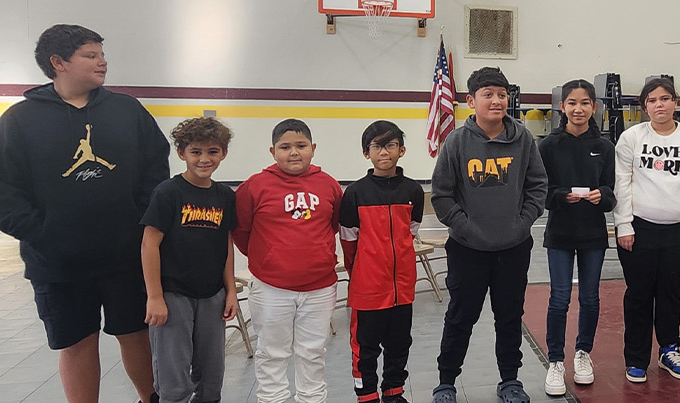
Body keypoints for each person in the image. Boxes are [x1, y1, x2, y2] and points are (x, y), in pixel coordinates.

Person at [0, 23, 167, 403]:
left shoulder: (127, 110)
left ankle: (152, 398)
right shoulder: (19, 121)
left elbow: (155, 170)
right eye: (91, 55)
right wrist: (44, 234)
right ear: (58, 62)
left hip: (125, 257)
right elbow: (1, 189)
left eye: (102, 54)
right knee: (76, 342)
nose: (103, 62)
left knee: (136, 334)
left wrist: (140, 225)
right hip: (58, 263)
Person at [429, 67, 548, 403]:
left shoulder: (524, 139)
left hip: (513, 247)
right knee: (460, 317)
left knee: (509, 317)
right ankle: (446, 383)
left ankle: (510, 380)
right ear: (471, 101)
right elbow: (441, 195)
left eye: (501, 94)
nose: (496, 100)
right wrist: (467, 229)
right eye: (488, 94)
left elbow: (537, 186)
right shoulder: (456, 141)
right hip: (468, 249)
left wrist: (522, 223)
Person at [613, 78, 680, 383]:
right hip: (639, 230)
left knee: (671, 294)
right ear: (645, 106)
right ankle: (636, 358)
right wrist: (623, 225)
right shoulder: (631, 138)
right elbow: (622, 184)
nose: (660, 105)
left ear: (676, 103)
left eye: (665, 98)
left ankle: (669, 349)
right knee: (639, 295)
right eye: (652, 100)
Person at [233, 119, 344, 403]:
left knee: (313, 351)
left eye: (300, 146)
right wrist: (270, 260)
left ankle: (312, 398)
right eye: (285, 147)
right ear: (273, 151)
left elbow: (332, 225)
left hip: (319, 288)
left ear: (313, 148)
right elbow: (241, 232)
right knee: (272, 353)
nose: (293, 152)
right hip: (271, 289)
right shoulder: (254, 186)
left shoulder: (329, 184)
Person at [139, 117, 239, 403]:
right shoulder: (167, 193)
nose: (204, 159)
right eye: (196, 151)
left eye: (212, 151)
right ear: (182, 153)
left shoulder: (223, 196)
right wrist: (155, 296)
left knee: (212, 374)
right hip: (173, 295)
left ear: (223, 153)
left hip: (211, 295)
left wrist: (230, 290)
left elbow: (226, 244)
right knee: (173, 376)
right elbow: (149, 244)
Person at [338, 120, 427, 403]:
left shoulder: (413, 191)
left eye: (390, 145)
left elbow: (410, 233)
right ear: (367, 153)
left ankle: (393, 392)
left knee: (399, 344)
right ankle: (366, 395)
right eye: (376, 146)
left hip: (402, 288)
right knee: (365, 348)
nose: (384, 152)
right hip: (368, 289)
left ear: (402, 150)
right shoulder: (355, 193)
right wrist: (362, 273)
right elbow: (348, 242)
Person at [537, 79, 615, 395]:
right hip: (560, 233)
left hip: (593, 234)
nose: (578, 109)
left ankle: (583, 354)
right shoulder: (547, 146)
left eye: (585, 103)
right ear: (562, 107)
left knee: (590, 297)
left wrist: (602, 197)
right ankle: (556, 361)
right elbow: (541, 191)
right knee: (558, 298)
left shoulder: (606, 147)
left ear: (594, 107)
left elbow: (612, 191)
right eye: (572, 103)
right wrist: (560, 197)